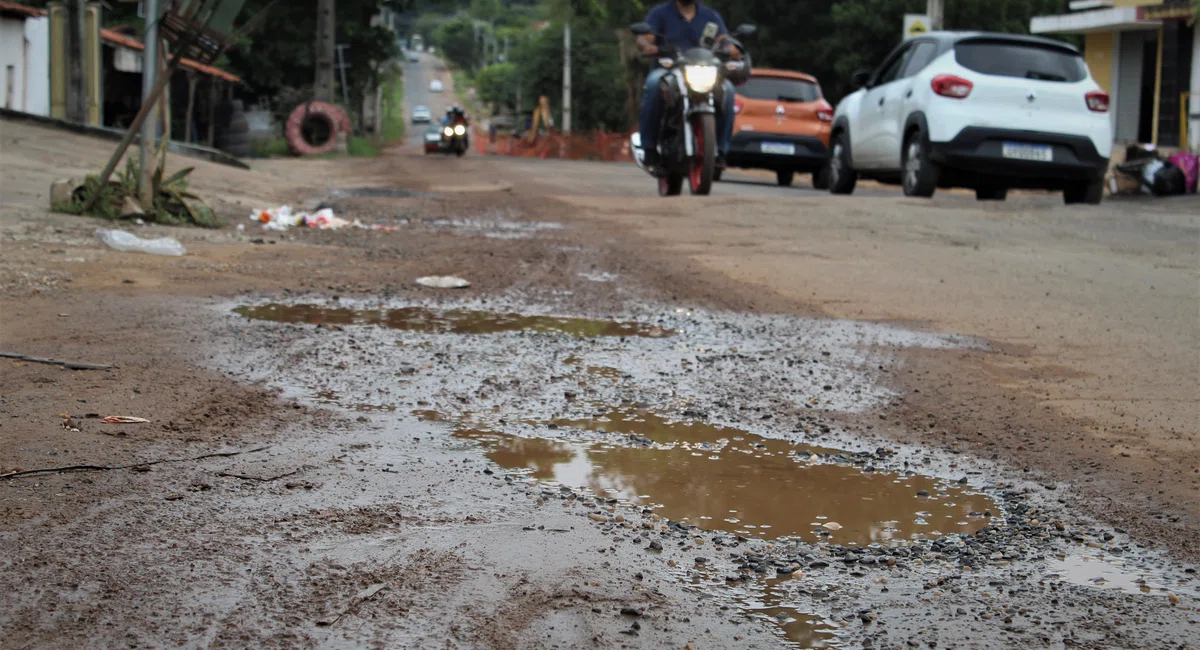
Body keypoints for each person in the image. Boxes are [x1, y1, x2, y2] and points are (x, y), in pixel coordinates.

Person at [637, 0, 738, 170]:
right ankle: (649, 148)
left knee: (728, 89)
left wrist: (732, 48)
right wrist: (647, 46)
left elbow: (725, 39)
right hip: (669, 70)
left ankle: (721, 151)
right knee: (654, 84)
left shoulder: (710, 16)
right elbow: (645, 38)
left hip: (703, 71)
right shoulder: (660, 13)